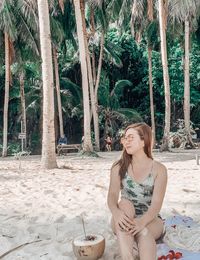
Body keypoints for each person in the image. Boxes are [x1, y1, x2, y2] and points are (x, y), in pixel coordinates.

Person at [107, 123, 167, 260]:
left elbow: (156, 205)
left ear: (143, 141)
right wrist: (116, 213)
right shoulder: (118, 166)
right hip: (122, 217)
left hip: (151, 219)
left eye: (131, 137)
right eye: (125, 138)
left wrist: (141, 222)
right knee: (125, 204)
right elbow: (112, 195)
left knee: (143, 232)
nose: (126, 141)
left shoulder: (159, 169)